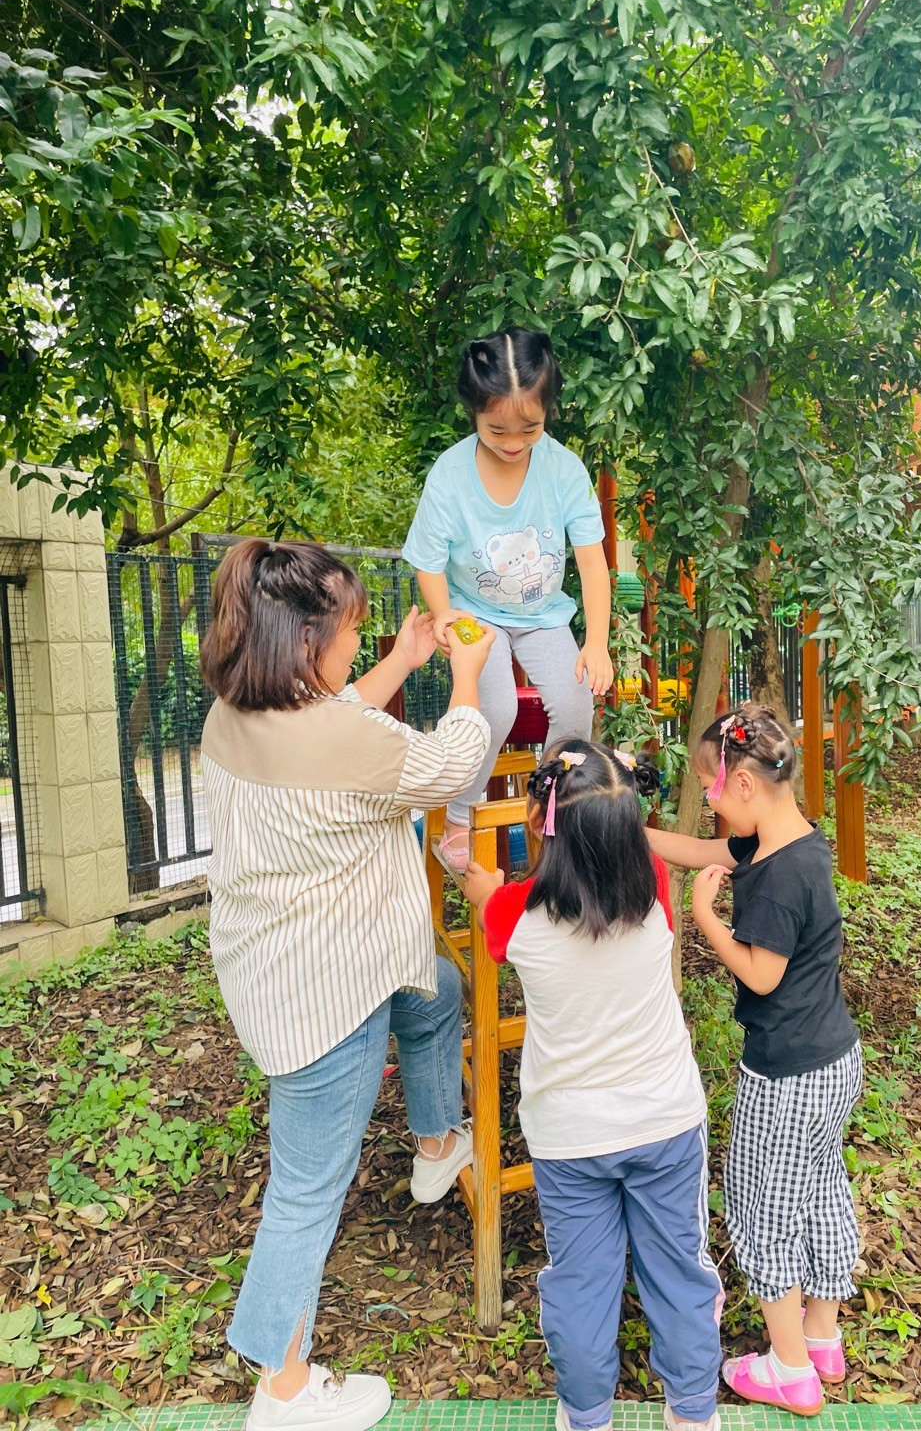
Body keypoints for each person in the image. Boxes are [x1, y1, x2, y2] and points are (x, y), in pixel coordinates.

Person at [198, 539, 495, 1431]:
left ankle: (436, 1142)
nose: (357, 643)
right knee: (305, 1189)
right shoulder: (341, 737)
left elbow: (336, 721)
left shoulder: (235, 713)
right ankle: (283, 1388)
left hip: (283, 962)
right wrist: (466, 678)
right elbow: (451, 767)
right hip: (327, 997)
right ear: (305, 643)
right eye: (352, 632)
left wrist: (400, 660)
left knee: (435, 992)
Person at [464, 741, 723, 1431]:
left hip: (568, 1135)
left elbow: (487, 901)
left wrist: (473, 873)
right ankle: (692, 1410)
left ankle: (585, 1414)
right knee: (679, 1270)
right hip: (665, 1120)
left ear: (537, 820)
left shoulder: (513, 914)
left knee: (580, 1281)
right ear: (629, 823)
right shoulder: (655, 889)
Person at [648, 703, 862, 1418]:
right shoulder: (796, 842)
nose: (710, 805)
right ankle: (821, 1336)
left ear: (743, 784)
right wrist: (632, 832)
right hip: (833, 1059)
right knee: (821, 1189)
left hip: (786, 1072)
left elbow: (762, 975)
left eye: (711, 790)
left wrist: (705, 919)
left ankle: (790, 1370)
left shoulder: (772, 880)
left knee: (760, 1206)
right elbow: (706, 850)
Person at [403, 327, 614, 871]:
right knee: (494, 707)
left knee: (575, 704)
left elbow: (593, 563)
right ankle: (459, 814)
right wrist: (444, 614)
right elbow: (428, 561)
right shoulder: (450, 475)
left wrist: (596, 643)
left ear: (548, 413)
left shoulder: (564, 469)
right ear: (473, 411)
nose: (514, 442)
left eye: (530, 428)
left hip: (543, 614)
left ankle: (555, 811)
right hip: (475, 612)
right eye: (497, 429)